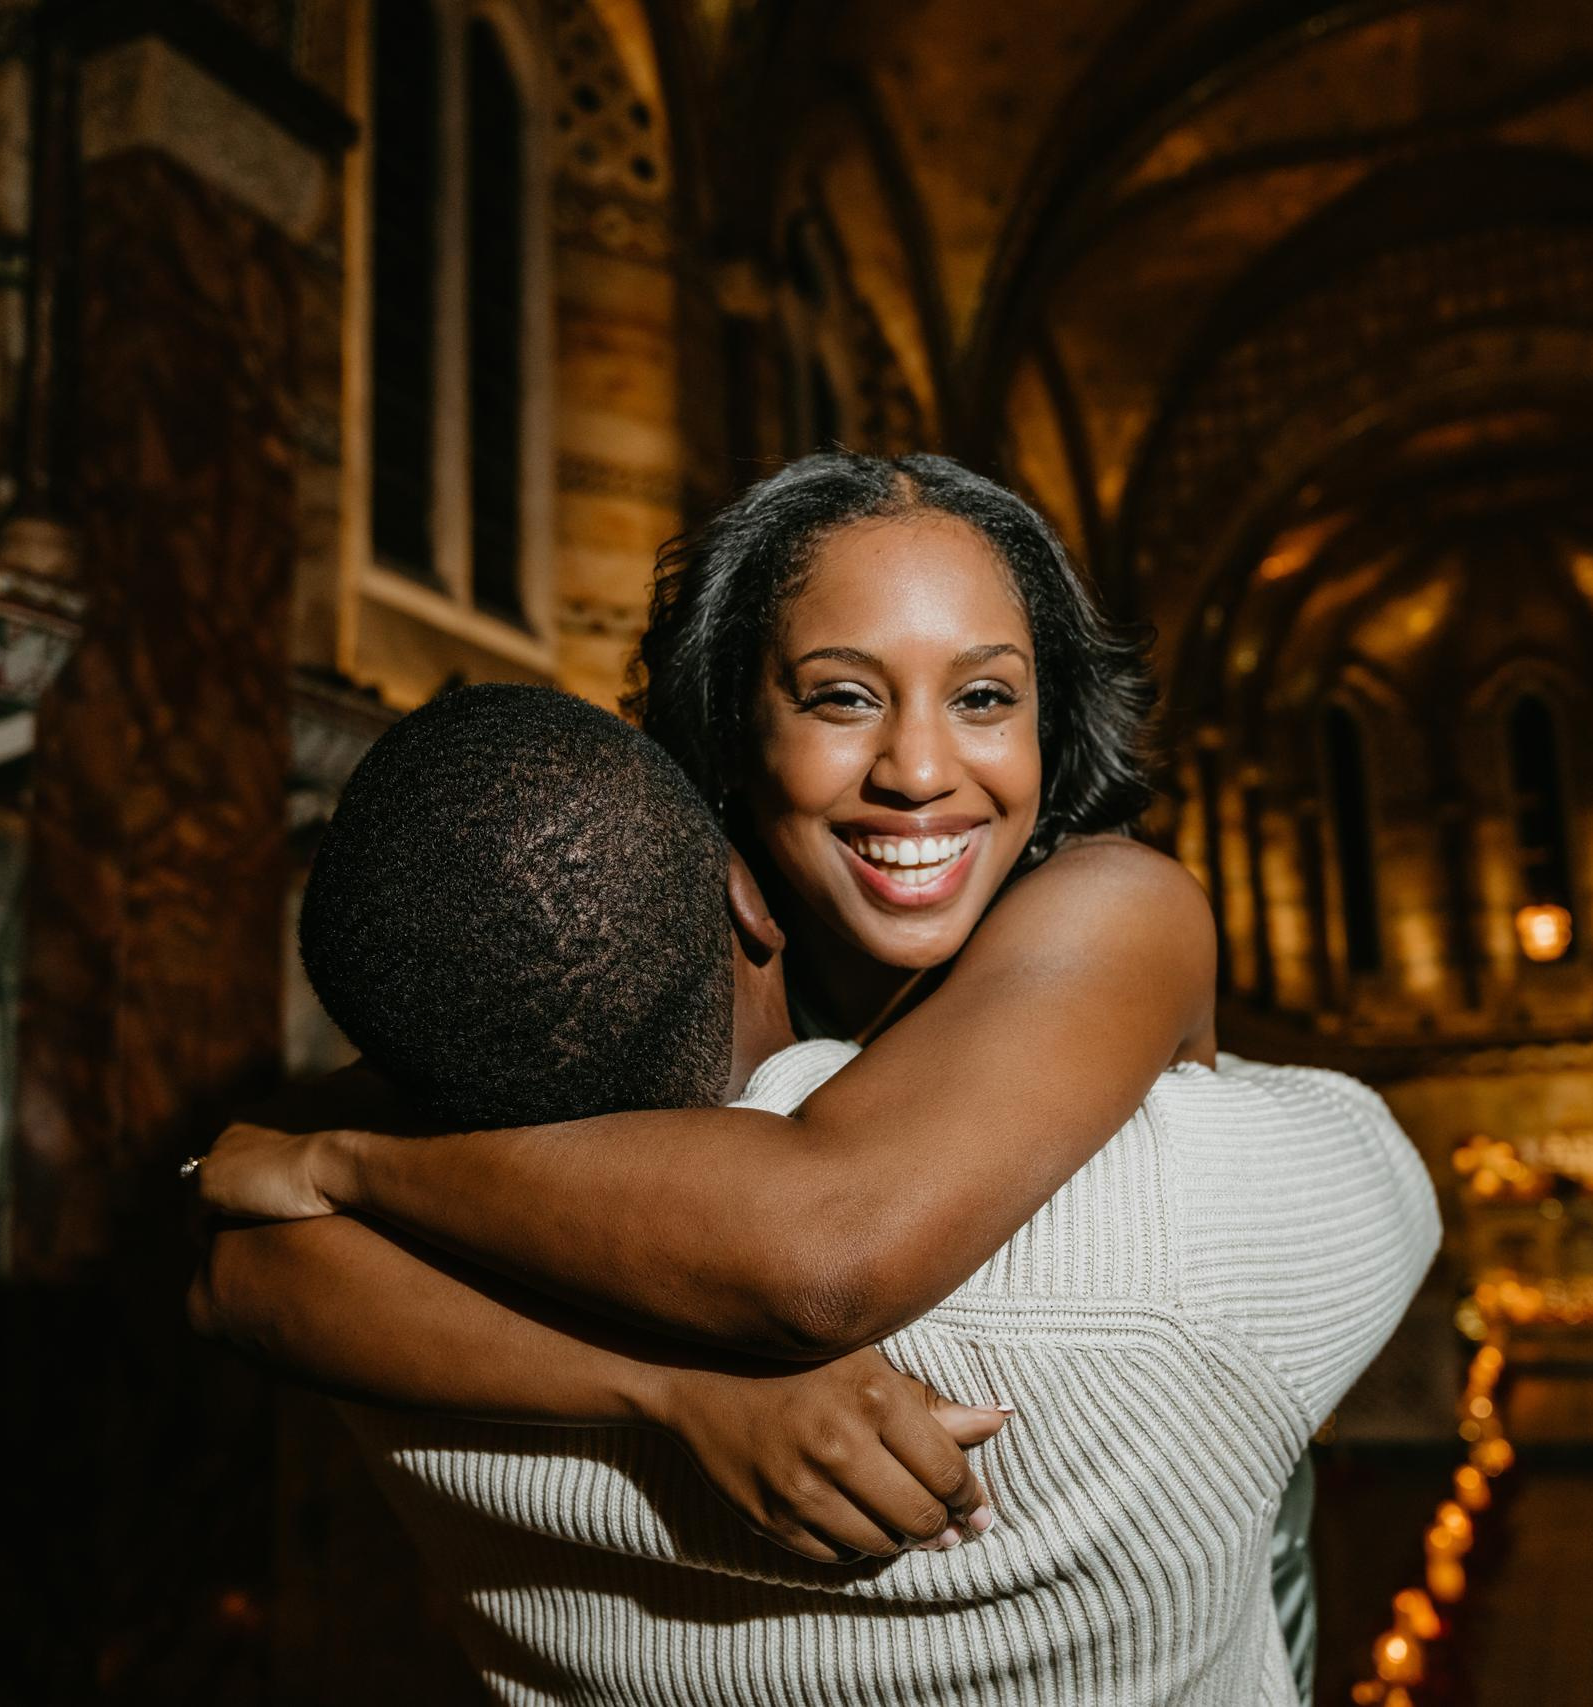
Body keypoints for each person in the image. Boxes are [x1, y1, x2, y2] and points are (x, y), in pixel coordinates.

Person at [209, 452, 1353, 1683]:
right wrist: (685, 1393)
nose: (920, 770)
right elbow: (242, 1270)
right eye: (842, 698)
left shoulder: (1117, 909)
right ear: (732, 731)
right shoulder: (676, 954)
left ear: (1049, 721)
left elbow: (826, 1258)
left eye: (983, 698)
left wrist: (352, 1163)